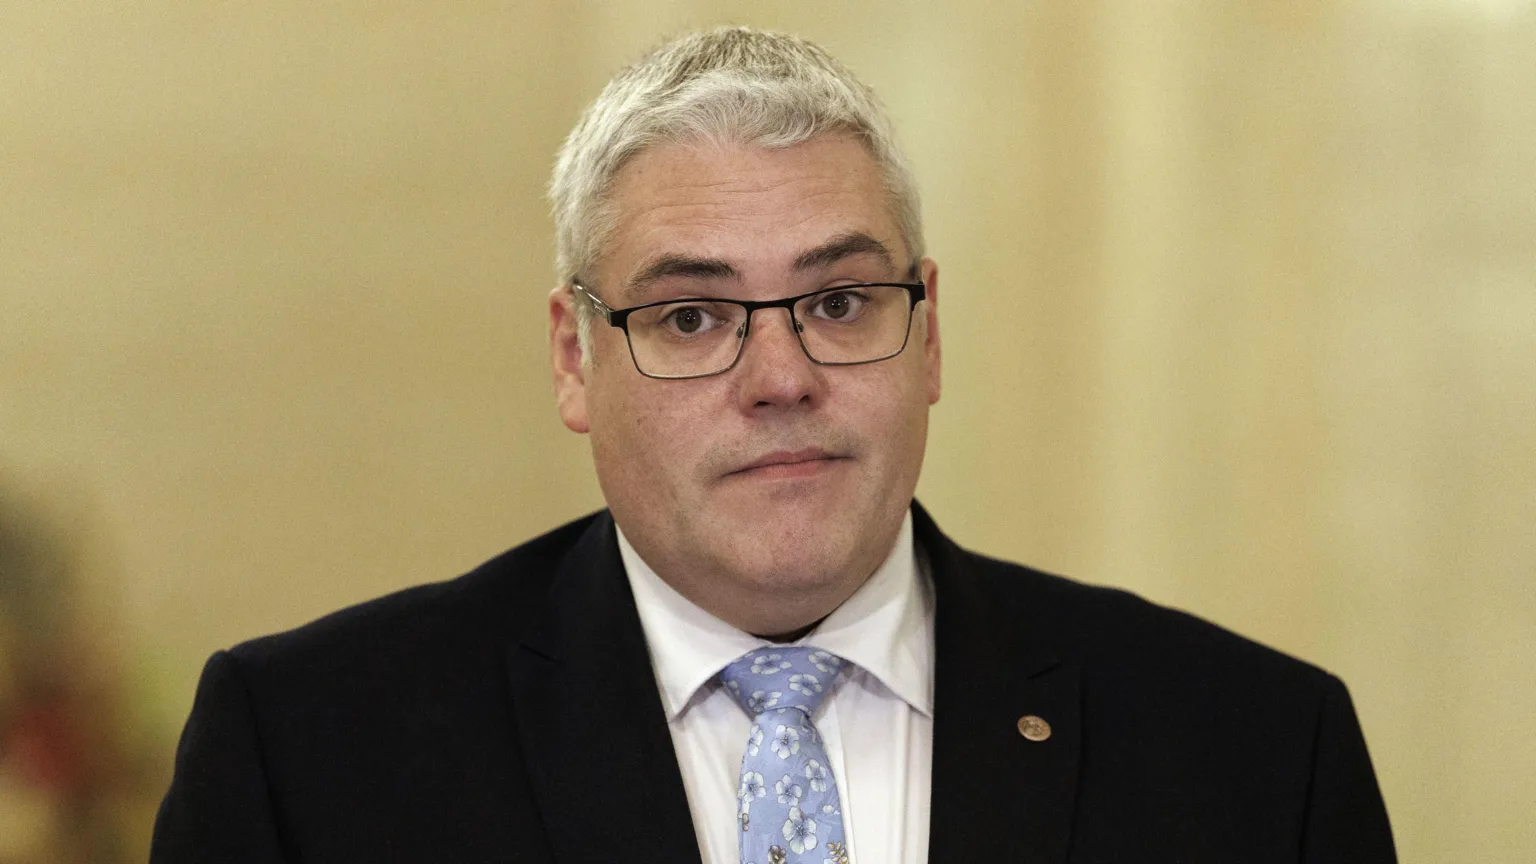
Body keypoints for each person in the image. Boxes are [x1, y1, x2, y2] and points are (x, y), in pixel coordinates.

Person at [151, 26, 1396, 864]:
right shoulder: (312, 759)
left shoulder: (1254, 755)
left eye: (841, 302)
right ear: (574, 358)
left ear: (930, 335)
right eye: (692, 317)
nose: (783, 378)